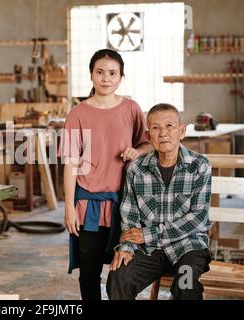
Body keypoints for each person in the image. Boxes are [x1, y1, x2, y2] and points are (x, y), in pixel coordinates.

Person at [58, 49, 151, 300]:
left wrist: (137, 151)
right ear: (91, 75)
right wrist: (68, 206)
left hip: (125, 204)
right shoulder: (77, 113)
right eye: (100, 72)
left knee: (121, 268)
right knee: (89, 271)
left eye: (112, 73)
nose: (106, 78)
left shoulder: (131, 108)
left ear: (121, 77)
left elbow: (146, 144)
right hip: (87, 204)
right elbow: (70, 163)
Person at [107, 103, 212, 300]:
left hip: (187, 247)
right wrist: (127, 248)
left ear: (182, 131)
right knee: (117, 277)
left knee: (186, 285)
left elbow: (198, 218)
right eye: (155, 128)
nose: (163, 133)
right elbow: (130, 217)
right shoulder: (136, 169)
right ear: (148, 136)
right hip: (149, 251)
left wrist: (149, 234)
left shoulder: (199, 166)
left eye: (169, 126)